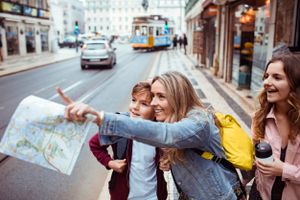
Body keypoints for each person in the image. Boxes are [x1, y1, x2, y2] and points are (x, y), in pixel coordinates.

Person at [57, 71, 242, 200]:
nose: (153, 103)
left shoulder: (199, 122)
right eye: (153, 97)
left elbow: (168, 135)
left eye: (161, 96)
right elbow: (96, 143)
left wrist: (100, 117)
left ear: (178, 96)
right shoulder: (171, 118)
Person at [88, 81, 167, 200]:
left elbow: (173, 152)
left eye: (144, 104)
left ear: (155, 110)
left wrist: (168, 160)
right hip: (123, 195)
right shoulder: (120, 126)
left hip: (154, 196)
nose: (135, 107)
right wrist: (110, 162)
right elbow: (94, 144)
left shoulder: (161, 130)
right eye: (134, 100)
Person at [250, 54, 300, 199]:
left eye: (277, 77)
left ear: (295, 83)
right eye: (266, 76)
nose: (267, 82)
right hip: (260, 194)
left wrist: (284, 170)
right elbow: (254, 163)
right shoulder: (259, 118)